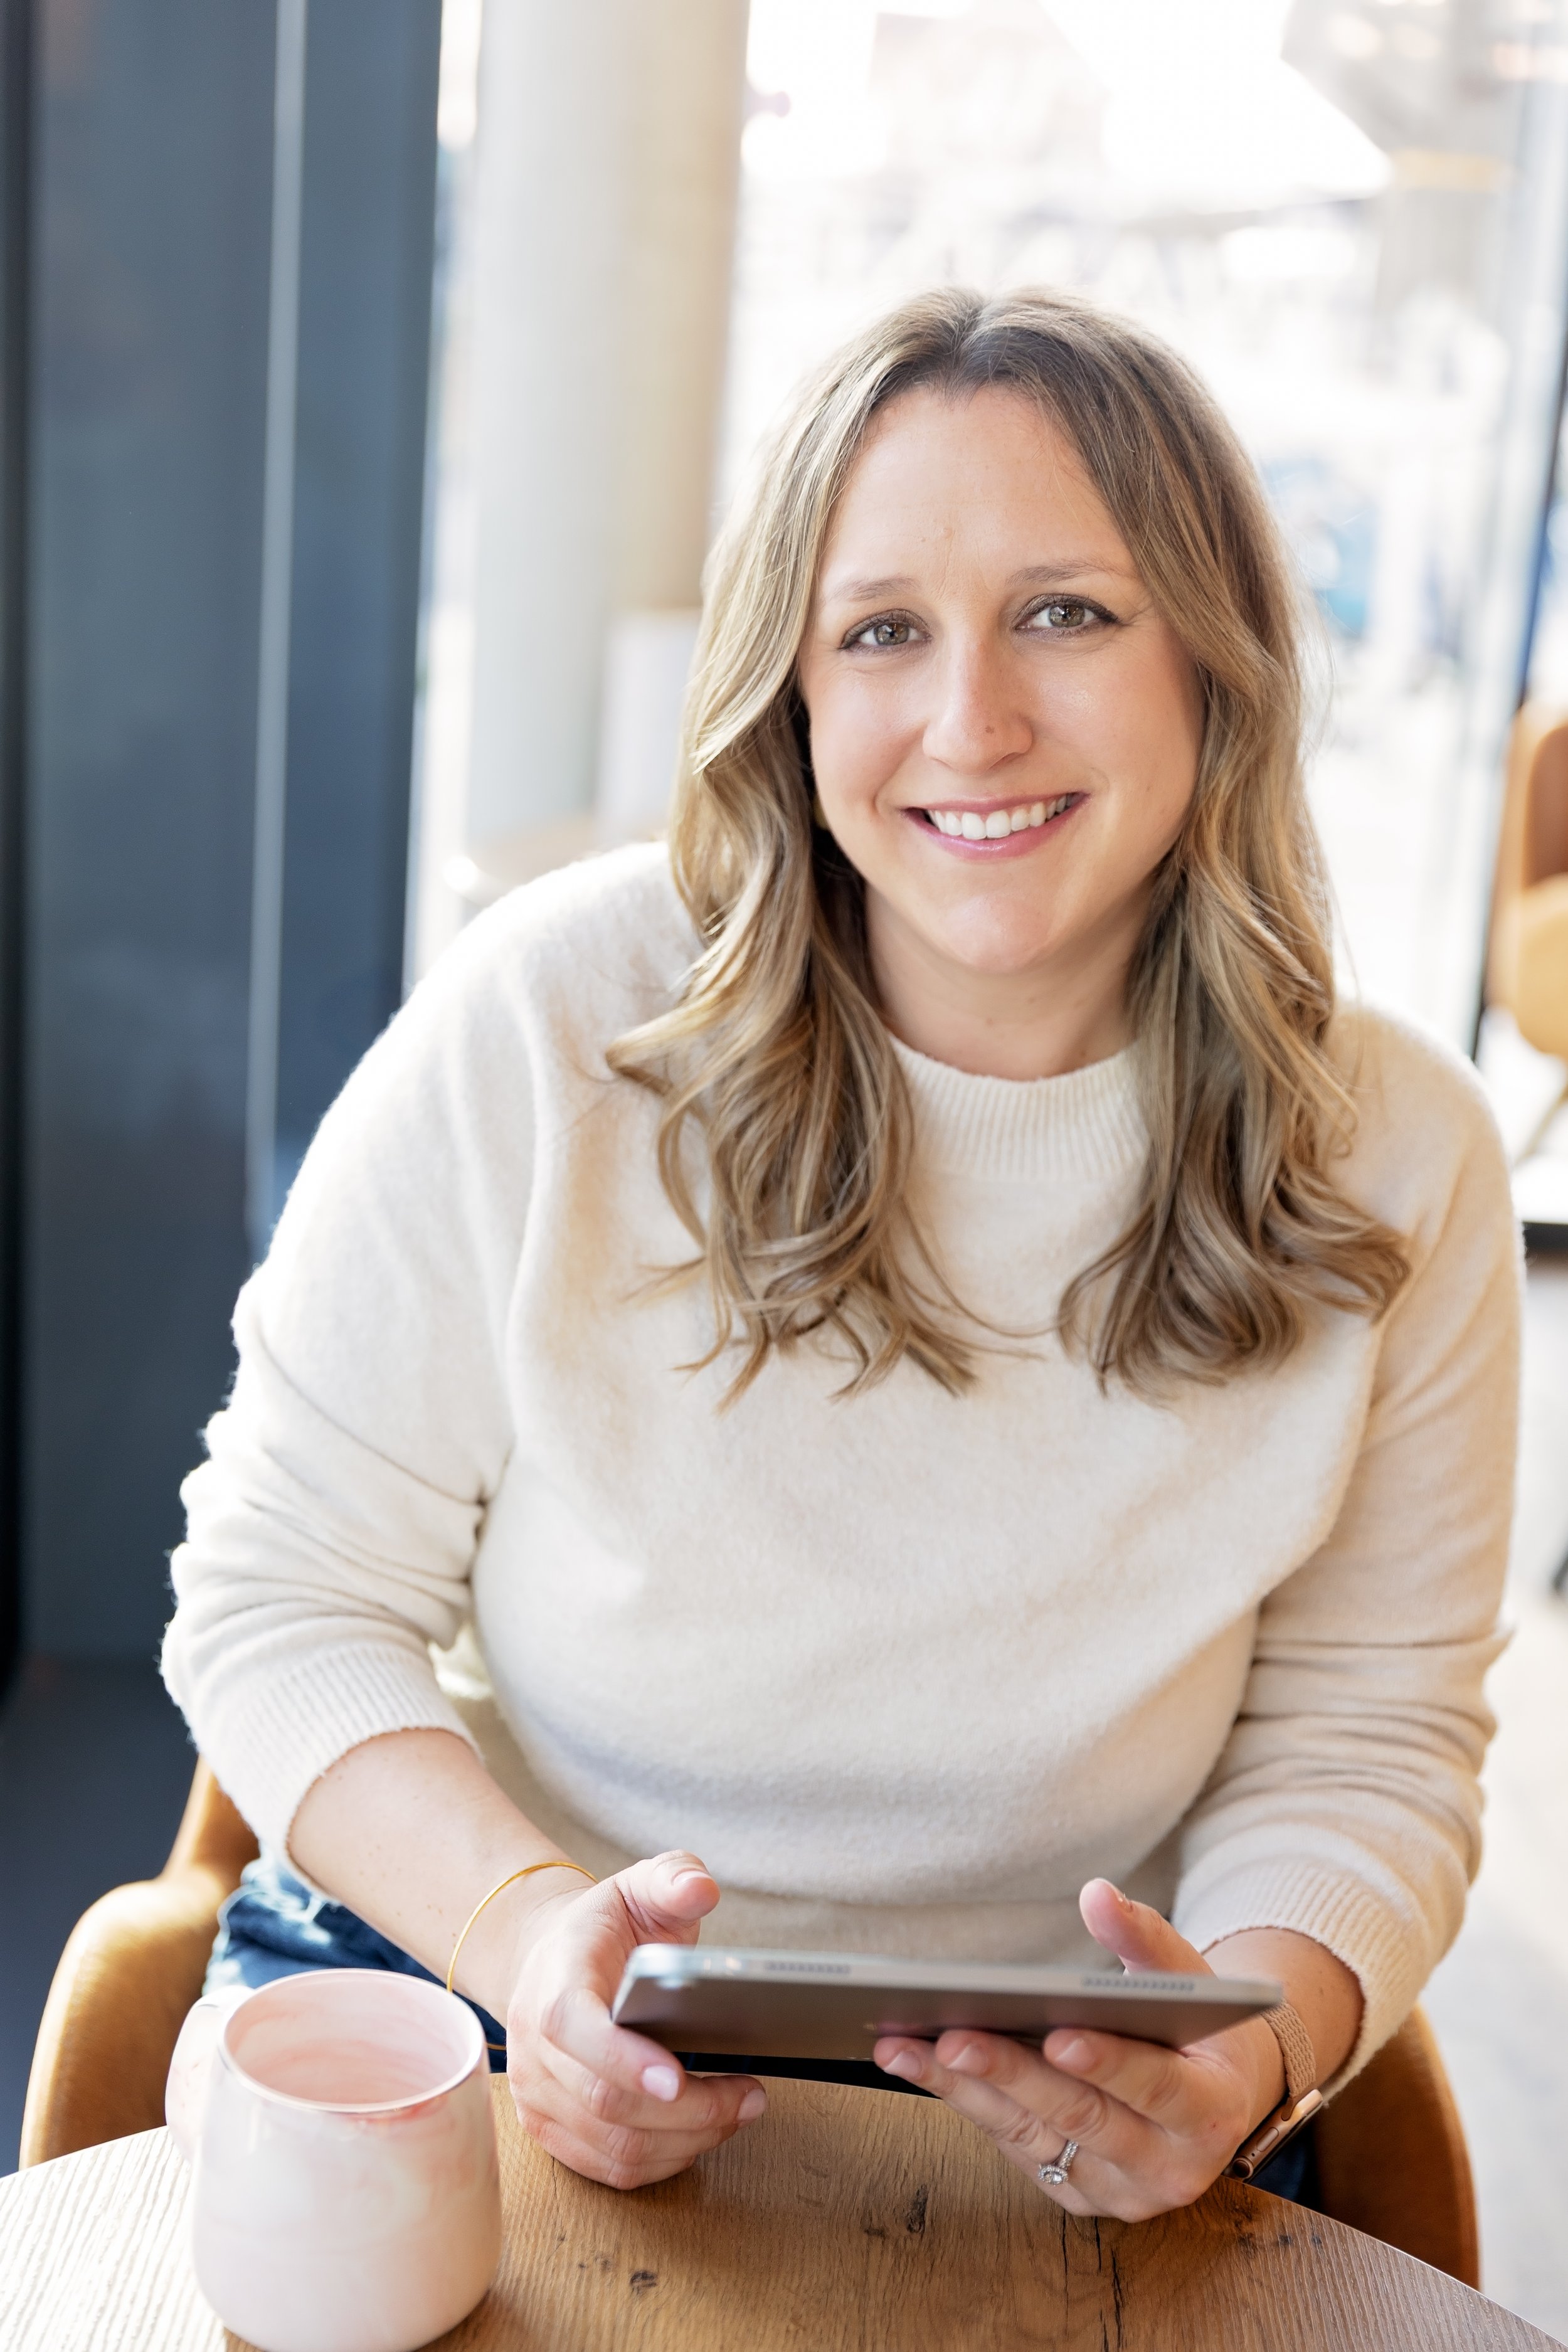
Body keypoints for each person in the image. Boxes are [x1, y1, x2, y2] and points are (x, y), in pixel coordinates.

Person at [162, 287, 1517, 2222]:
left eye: (1067, 610)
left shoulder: (1401, 1153)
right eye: (880, 631)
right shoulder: (552, 1024)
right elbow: (279, 1596)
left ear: (1213, 664)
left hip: (1074, 2093)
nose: (970, 719)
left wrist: (1254, 2046)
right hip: (482, 1988)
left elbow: (1365, 1740)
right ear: (791, 700)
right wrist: (528, 1941)